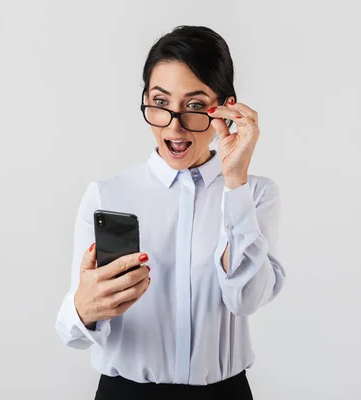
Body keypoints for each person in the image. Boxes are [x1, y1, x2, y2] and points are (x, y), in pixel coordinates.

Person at [55, 25, 286, 400]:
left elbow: (245, 299)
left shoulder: (255, 193)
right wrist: (85, 308)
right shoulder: (107, 194)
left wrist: (235, 184)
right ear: (145, 98)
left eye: (195, 106)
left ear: (224, 107)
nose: (175, 125)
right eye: (160, 103)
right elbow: (71, 333)